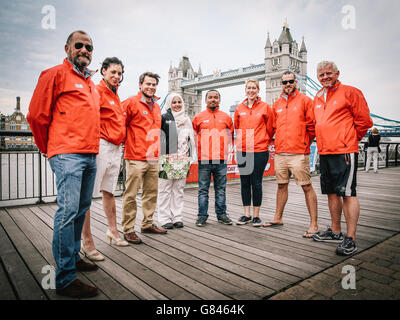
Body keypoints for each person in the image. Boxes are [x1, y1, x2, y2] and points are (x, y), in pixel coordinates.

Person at [27, 30, 100, 298]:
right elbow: (36, 115)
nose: (84, 50)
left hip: (90, 154)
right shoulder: (54, 74)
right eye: (79, 45)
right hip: (68, 154)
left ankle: (74, 258)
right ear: (68, 47)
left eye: (89, 47)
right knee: (67, 212)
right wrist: (48, 148)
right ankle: (65, 278)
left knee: (81, 210)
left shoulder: (91, 82)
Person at [312, 61, 373, 255]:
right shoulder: (318, 96)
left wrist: (348, 140)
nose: (325, 77)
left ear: (337, 73)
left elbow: (364, 122)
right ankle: (336, 231)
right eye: (321, 75)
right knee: (331, 192)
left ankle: (351, 238)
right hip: (325, 151)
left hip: (344, 151)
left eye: (329, 73)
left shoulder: (351, 92)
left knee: (348, 193)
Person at [81, 57, 128, 262]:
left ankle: (113, 231)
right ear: (103, 71)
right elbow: (89, 118)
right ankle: (87, 241)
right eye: (113, 72)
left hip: (116, 148)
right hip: (101, 146)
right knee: (88, 196)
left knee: (109, 191)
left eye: (119, 73)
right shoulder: (96, 90)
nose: (117, 76)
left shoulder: (116, 95)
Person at [263, 71, 319, 238]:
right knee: (281, 185)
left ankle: (314, 224)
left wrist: (303, 144)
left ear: (296, 82)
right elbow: (272, 127)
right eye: (284, 82)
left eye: (291, 81)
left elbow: (312, 127)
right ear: (281, 84)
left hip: (298, 153)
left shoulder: (306, 101)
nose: (288, 84)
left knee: (306, 186)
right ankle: (278, 218)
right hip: (280, 153)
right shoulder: (277, 103)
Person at [121, 72, 167, 244]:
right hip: (135, 156)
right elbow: (120, 126)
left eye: (154, 84)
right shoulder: (130, 102)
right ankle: (128, 229)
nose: (151, 87)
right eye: (148, 84)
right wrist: (127, 144)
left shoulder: (156, 107)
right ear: (140, 85)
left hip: (153, 157)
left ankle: (147, 223)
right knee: (131, 194)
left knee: (151, 193)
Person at [234, 79, 274, 227]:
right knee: (245, 182)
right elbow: (237, 127)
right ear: (245, 90)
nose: (251, 90)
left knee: (256, 183)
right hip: (243, 149)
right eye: (248, 88)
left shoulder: (265, 107)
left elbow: (270, 129)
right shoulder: (239, 108)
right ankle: (246, 215)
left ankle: (256, 215)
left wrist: (262, 140)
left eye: (254, 88)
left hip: (259, 149)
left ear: (258, 90)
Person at [192, 90, 234, 227]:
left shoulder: (227, 117)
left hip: (221, 159)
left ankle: (222, 215)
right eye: (210, 97)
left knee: (220, 189)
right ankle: (202, 216)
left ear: (219, 100)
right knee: (203, 190)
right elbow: (193, 136)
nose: (213, 99)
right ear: (205, 100)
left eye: (216, 97)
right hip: (204, 159)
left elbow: (231, 135)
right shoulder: (198, 117)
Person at [157, 93, 196, 229]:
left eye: (179, 102)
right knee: (165, 189)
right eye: (174, 102)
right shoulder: (164, 118)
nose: (177, 105)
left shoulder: (187, 119)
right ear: (169, 104)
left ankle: (177, 216)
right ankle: (164, 218)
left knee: (178, 189)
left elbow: (191, 140)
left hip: (183, 159)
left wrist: (191, 157)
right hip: (167, 158)